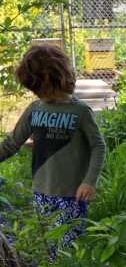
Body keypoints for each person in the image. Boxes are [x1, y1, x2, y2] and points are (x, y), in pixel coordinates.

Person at [0, 43, 106, 252]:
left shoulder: (80, 111)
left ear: (54, 79)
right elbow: (12, 143)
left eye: (39, 88)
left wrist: (89, 181)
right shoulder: (34, 109)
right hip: (41, 191)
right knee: (50, 243)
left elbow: (98, 146)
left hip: (72, 193)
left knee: (68, 246)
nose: (36, 94)